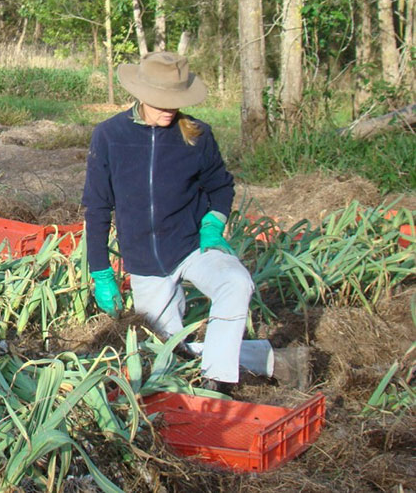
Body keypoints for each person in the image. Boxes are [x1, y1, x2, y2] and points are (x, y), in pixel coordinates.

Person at [82, 52, 307, 392]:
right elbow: (97, 208)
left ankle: (216, 383)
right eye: (161, 102)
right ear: (141, 95)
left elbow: (220, 186)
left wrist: (213, 224)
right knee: (165, 357)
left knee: (236, 282)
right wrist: (100, 271)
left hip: (193, 246)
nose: (169, 109)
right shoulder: (110, 136)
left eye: (175, 102)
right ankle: (269, 359)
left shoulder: (197, 136)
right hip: (145, 262)